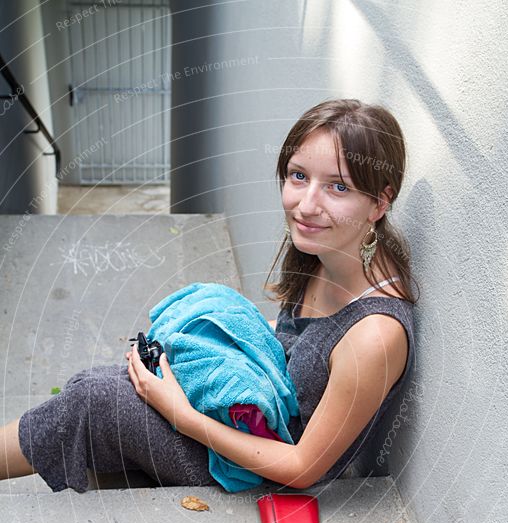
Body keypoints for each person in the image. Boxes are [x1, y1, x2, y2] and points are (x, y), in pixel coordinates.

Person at [0, 98, 417, 493]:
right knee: (125, 375)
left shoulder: (374, 337)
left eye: (338, 187)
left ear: (379, 202)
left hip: (256, 469)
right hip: (243, 413)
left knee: (93, 401)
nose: (306, 205)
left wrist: (180, 413)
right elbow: (294, 339)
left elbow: (302, 468)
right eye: (299, 176)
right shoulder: (326, 253)